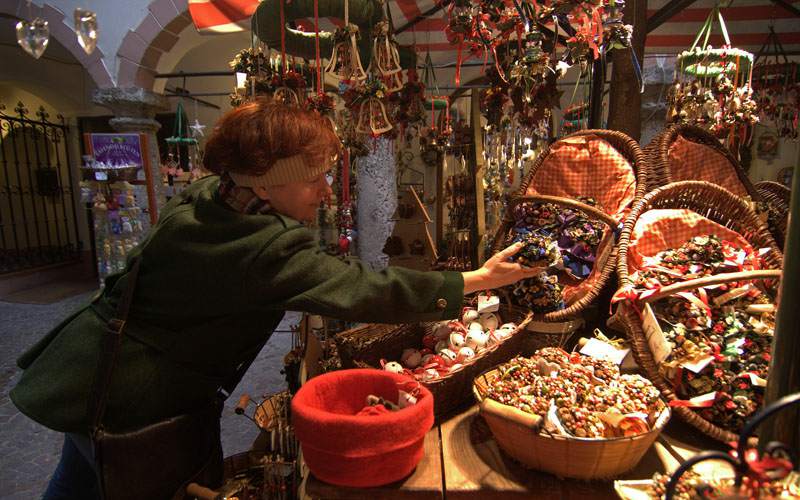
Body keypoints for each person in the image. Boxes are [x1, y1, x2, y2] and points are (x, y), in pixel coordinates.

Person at [11, 99, 542, 499]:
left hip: (92, 374)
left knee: (78, 481)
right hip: (135, 399)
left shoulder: (212, 199)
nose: (326, 191)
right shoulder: (261, 247)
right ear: (266, 185)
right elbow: (363, 289)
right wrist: (475, 280)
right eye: (314, 179)